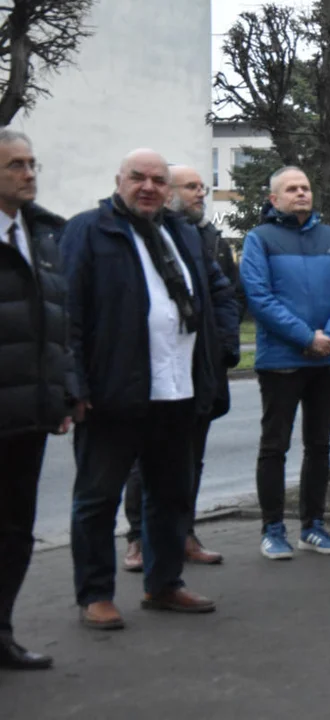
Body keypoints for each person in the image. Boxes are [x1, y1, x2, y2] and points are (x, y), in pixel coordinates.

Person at [63, 149, 238, 630]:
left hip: (178, 390)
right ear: (118, 181)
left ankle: (164, 584)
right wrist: (74, 383)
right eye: (137, 178)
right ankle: (95, 594)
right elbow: (68, 314)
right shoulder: (89, 231)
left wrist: (221, 351)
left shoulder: (181, 233)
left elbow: (218, 292)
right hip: (113, 393)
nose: (148, 187)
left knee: (171, 494)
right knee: (97, 500)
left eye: (158, 180)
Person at [122, 165, 239, 570]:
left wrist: (223, 348)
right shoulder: (143, 236)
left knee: (192, 458)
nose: (200, 194)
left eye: (202, 188)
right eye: (191, 187)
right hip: (153, 372)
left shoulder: (207, 238)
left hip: (199, 369)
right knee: (145, 460)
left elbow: (227, 295)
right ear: (167, 192)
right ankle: (138, 538)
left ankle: (184, 532)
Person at [241, 166, 330, 560]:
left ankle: (314, 525)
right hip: (281, 361)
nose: (301, 194)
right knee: (274, 446)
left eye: (305, 187)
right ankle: (273, 528)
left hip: (326, 360)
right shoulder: (260, 240)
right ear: (273, 199)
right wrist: (306, 337)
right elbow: (259, 298)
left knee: (319, 446)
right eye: (291, 189)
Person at [0, 129, 69, 669]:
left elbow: (56, 324)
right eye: (15, 166)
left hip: (27, 415)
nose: (29, 174)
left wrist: (62, 393)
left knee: (15, 531)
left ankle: (1, 631)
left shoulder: (43, 235)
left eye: (31, 162)